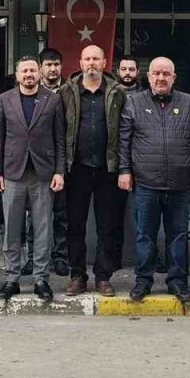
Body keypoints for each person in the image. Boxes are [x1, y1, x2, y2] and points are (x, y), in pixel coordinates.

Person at [119, 56, 190, 305]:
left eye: (166, 74)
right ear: (148, 76)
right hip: (145, 183)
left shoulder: (188, 102)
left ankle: (177, 281)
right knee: (144, 236)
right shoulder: (134, 103)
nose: (161, 78)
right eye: (156, 73)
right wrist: (124, 170)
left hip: (180, 184)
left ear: (173, 78)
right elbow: (124, 140)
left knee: (178, 235)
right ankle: (143, 281)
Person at [0, 55, 65, 301]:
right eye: (24, 71)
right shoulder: (4, 99)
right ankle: (12, 278)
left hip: (43, 173)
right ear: (17, 74)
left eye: (33, 70)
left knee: (42, 229)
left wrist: (59, 171)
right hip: (13, 172)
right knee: (12, 228)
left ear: (39, 73)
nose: (29, 75)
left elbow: (59, 139)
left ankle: (41, 279)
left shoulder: (53, 99)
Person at [59, 44, 127, 297]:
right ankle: (77, 275)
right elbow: (59, 130)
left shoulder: (117, 93)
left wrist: (124, 167)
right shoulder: (66, 92)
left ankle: (103, 276)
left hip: (108, 169)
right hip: (76, 168)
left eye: (96, 59)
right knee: (75, 225)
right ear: (80, 62)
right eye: (87, 59)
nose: (91, 63)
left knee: (107, 225)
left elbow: (126, 131)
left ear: (104, 62)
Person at [34, 47, 70, 277]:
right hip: (35, 161)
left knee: (61, 213)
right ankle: (33, 257)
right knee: (33, 214)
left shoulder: (69, 91)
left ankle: (60, 257)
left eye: (56, 64)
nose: (53, 68)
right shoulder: (29, 90)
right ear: (40, 68)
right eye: (48, 64)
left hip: (61, 159)